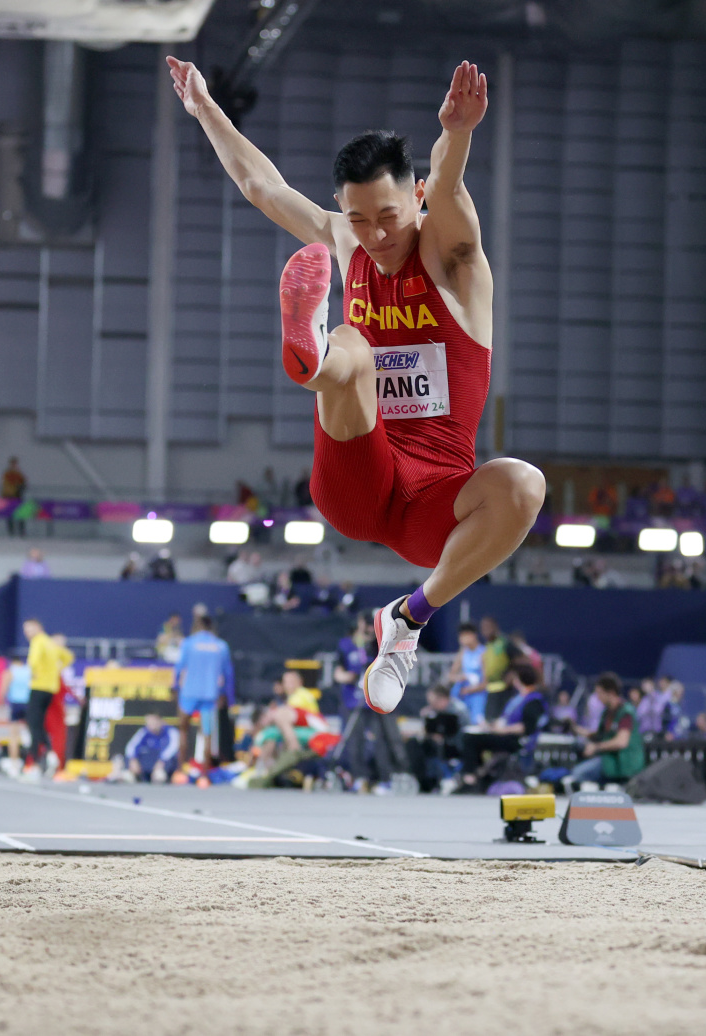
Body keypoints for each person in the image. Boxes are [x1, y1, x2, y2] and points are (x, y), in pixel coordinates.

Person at [168, 56, 544, 719]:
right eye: (359, 218)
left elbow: (450, 185)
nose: (376, 235)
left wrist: (456, 133)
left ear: (416, 197)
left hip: (434, 507)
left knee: (523, 484)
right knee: (356, 347)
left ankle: (407, 620)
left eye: (388, 215)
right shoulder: (348, 241)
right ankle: (312, 357)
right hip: (357, 477)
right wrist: (206, 109)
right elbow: (261, 185)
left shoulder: (454, 260)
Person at [456, 663, 547, 791]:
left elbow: (526, 727)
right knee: (470, 736)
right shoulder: (519, 698)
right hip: (505, 734)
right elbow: (505, 719)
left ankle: (470, 777)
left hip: (517, 740)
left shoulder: (533, 700)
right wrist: (490, 726)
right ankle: (477, 775)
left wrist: (502, 730)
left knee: (470, 739)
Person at [173, 614, 234, 770]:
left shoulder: (188, 643)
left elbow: (179, 668)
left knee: (183, 730)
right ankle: (205, 773)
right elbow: (228, 673)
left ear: (197, 626)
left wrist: (175, 687)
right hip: (209, 695)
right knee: (207, 733)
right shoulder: (221, 646)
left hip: (189, 693)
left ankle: (179, 769)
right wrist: (227, 696)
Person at [567, 673, 645, 789]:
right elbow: (600, 735)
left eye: (600, 693)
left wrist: (596, 747)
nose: (597, 697)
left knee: (578, 774)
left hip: (624, 763)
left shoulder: (625, 712)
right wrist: (576, 729)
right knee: (576, 770)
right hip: (609, 760)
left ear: (611, 693)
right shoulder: (607, 713)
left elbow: (621, 742)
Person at [22, 619, 74, 779]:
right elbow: (68, 656)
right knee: (38, 724)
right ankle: (49, 754)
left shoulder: (38, 641)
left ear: (38, 628)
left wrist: (34, 672)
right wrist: (57, 669)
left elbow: (33, 661)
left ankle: (35, 763)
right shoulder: (51, 643)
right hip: (50, 689)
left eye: (30, 629)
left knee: (33, 725)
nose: (27, 633)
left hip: (38, 687)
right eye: (25, 630)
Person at [333, 613, 373, 721]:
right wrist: (348, 676)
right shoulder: (346, 645)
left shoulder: (377, 646)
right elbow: (338, 672)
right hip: (352, 697)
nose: (371, 628)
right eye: (368, 624)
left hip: (373, 699)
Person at [444, 622, 486, 723]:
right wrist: (461, 677)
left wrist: (470, 690)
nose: (461, 639)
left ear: (473, 635)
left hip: (477, 694)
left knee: (475, 721)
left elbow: (486, 682)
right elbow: (451, 675)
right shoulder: (462, 653)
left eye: (464, 636)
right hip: (463, 693)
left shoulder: (483, 653)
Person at [0, 652, 31, 776]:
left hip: (16, 705)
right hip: (28, 704)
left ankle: (14, 764)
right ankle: (31, 763)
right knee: (32, 734)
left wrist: (1, 704)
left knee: (13, 736)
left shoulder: (10, 672)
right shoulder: (28, 670)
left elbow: (3, 690)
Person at [123, 712, 180, 783]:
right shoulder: (143, 731)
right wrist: (133, 759)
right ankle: (130, 775)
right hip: (148, 761)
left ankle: (160, 777)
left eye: (153, 722)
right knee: (127, 759)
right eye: (149, 722)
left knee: (170, 761)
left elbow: (173, 748)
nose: (151, 725)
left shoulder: (171, 731)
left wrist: (162, 760)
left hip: (163, 762)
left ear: (160, 721)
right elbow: (131, 747)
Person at [1, 457, 28, 535]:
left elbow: (24, 484)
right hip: (9, 496)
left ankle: (21, 531)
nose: (14, 465)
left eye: (15, 464)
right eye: (12, 464)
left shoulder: (19, 474)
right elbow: (5, 485)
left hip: (17, 496)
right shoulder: (7, 474)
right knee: (10, 515)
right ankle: (11, 531)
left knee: (20, 514)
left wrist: (20, 487)